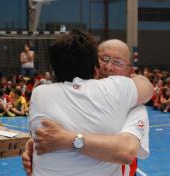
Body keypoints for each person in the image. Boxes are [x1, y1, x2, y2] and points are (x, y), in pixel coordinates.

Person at [26, 30, 153, 176]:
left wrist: (67, 139)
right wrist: (32, 144)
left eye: (118, 62)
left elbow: (126, 151)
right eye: (104, 59)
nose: (109, 67)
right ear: (93, 61)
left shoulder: (134, 105)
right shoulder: (61, 94)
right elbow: (44, 137)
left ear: (130, 71)